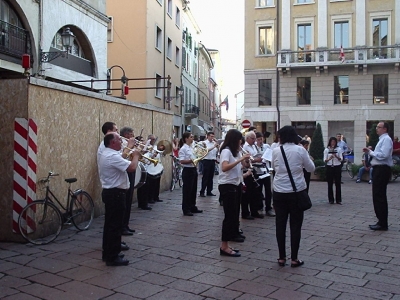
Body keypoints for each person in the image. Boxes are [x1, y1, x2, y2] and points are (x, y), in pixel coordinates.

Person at [272, 126, 315, 267]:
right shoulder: (300, 150)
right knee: (296, 225)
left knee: (280, 224)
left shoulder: (276, 151)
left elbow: (274, 167)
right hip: (296, 192)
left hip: (279, 191)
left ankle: (281, 257)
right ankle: (294, 258)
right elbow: (311, 168)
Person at [98, 132, 140, 266]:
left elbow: (121, 158)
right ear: (112, 143)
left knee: (110, 225)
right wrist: (136, 156)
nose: (121, 142)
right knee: (115, 226)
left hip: (112, 193)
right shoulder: (111, 156)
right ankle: (112, 257)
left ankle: (109, 252)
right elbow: (132, 167)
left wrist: (130, 151)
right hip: (115, 194)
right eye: (119, 140)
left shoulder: (110, 154)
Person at [219, 129, 250, 257]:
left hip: (235, 184)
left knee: (234, 215)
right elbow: (224, 167)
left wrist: (245, 160)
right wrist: (240, 159)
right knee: (229, 217)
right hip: (227, 186)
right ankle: (224, 246)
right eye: (239, 140)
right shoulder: (226, 151)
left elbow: (240, 166)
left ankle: (228, 242)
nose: (240, 143)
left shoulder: (234, 152)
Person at [363, 121, 393, 231]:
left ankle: (383, 223)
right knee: (377, 195)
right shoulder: (382, 139)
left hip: (382, 169)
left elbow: (383, 155)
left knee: (379, 196)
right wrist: (371, 151)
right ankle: (381, 220)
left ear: (385, 129)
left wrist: (371, 152)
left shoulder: (386, 139)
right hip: (378, 169)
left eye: (379, 127)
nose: (377, 129)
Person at [179, 132, 202, 216]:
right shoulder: (183, 149)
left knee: (193, 189)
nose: (193, 138)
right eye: (191, 137)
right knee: (187, 191)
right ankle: (186, 209)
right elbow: (181, 161)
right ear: (186, 139)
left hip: (193, 169)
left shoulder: (192, 147)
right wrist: (191, 161)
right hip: (187, 170)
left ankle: (192, 206)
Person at [242, 131, 264, 218]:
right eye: (253, 138)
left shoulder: (254, 146)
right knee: (247, 193)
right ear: (247, 138)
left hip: (254, 169)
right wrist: (255, 160)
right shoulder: (244, 147)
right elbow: (246, 159)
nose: (254, 140)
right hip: (247, 170)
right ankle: (245, 213)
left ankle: (254, 211)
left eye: (255, 138)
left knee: (255, 193)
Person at [119, 126, 136, 236]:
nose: (133, 136)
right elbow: (123, 157)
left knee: (129, 200)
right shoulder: (122, 144)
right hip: (126, 170)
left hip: (131, 169)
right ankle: (122, 226)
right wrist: (130, 147)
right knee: (125, 200)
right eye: (131, 134)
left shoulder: (128, 143)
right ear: (126, 135)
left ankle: (126, 225)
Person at [256, 132, 275, 217]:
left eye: (261, 139)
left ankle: (268, 208)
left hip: (267, 170)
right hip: (258, 171)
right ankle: (259, 207)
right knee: (259, 190)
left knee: (268, 190)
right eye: (258, 139)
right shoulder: (254, 147)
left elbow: (271, 157)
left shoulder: (267, 146)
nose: (260, 141)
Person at [324, 137, 343, 204]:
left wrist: (336, 156)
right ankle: (331, 199)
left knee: (338, 183)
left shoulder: (339, 149)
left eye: (334, 142)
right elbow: (325, 160)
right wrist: (329, 158)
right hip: (330, 167)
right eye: (332, 142)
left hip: (337, 166)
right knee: (330, 183)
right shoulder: (327, 149)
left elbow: (341, 159)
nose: (333, 143)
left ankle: (338, 199)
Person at [145, 134, 164, 204]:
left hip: (157, 167)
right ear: (149, 140)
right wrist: (153, 155)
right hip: (150, 168)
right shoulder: (147, 147)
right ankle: (150, 198)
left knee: (157, 183)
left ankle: (156, 197)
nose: (154, 140)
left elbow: (160, 155)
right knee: (151, 184)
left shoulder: (156, 147)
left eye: (154, 139)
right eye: (152, 139)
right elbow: (148, 158)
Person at [199, 132, 219, 197]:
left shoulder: (214, 143)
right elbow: (206, 151)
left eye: (213, 136)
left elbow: (217, 151)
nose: (212, 138)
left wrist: (217, 146)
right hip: (206, 161)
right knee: (205, 177)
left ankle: (209, 191)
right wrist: (214, 146)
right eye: (211, 136)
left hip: (213, 161)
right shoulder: (204, 143)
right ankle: (202, 191)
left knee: (211, 177)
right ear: (207, 136)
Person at [136, 136, 152, 210]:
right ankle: (142, 204)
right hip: (140, 169)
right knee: (142, 188)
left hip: (146, 169)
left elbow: (147, 159)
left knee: (146, 187)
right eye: (141, 140)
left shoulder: (144, 149)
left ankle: (144, 203)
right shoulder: (138, 149)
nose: (143, 142)